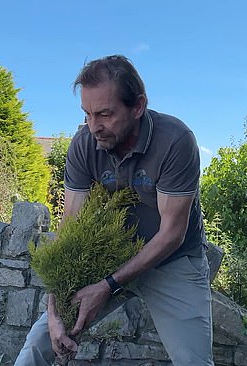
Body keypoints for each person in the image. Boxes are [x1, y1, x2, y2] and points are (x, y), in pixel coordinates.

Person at [14, 55, 213, 365]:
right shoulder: (84, 144)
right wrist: (54, 307)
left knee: (193, 361)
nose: (94, 127)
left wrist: (107, 286)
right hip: (112, 256)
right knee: (39, 341)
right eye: (87, 114)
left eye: (105, 114)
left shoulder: (175, 141)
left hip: (174, 262)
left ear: (138, 106)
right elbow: (70, 226)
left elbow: (172, 234)